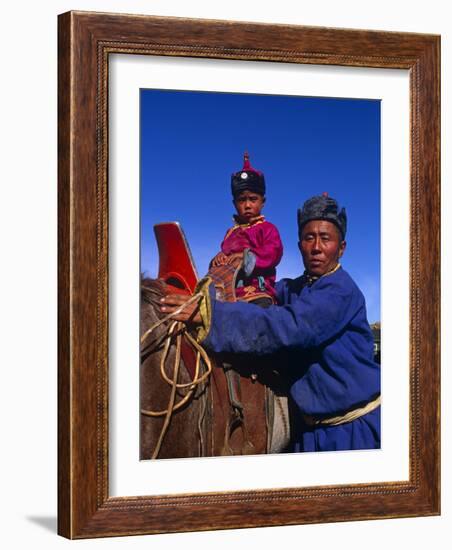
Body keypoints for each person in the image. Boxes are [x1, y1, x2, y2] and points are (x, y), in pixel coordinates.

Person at [161, 194, 381, 452]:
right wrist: (206, 294)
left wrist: (210, 316)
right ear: (300, 245)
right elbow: (258, 297)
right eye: (309, 237)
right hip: (308, 433)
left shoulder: (340, 291)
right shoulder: (295, 289)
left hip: (352, 430)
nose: (317, 247)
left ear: (341, 247)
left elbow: (286, 326)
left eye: (326, 238)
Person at [210, 152, 283, 306]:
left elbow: (273, 252)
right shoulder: (231, 233)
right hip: (227, 290)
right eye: (242, 200)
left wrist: (245, 258)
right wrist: (219, 258)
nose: (248, 205)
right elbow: (225, 255)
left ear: (263, 202)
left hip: (256, 291)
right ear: (234, 203)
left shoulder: (267, 229)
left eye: (253, 199)